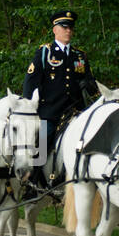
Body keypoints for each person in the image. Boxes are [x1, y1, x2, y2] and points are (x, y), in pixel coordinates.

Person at [22, 9, 99, 174]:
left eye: (71, 28)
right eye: (64, 27)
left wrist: (89, 85)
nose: (68, 31)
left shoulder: (79, 56)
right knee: (42, 143)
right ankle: (32, 182)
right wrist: (29, 110)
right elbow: (30, 83)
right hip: (50, 112)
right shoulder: (45, 52)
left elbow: (92, 85)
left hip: (76, 111)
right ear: (55, 29)